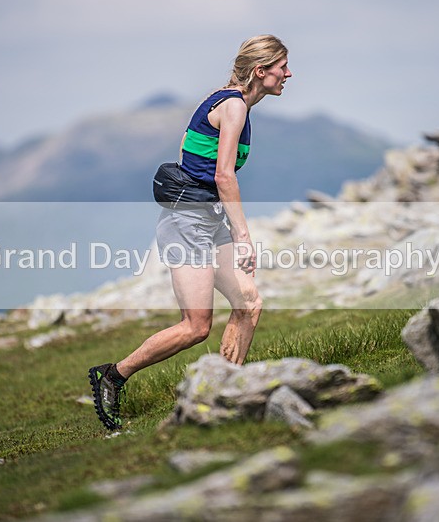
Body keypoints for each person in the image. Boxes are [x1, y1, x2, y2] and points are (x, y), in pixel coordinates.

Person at [89, 34, 292, 430]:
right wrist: (244, 236)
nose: (289, 73)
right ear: (260, 71)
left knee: (249, 303)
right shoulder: (233, 106)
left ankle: (224, 393)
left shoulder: (228, 99)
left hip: (205, 217)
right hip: (188, 221)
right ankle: (112, 376)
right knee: (196, 326)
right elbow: (223, 174)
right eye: (282, 67)